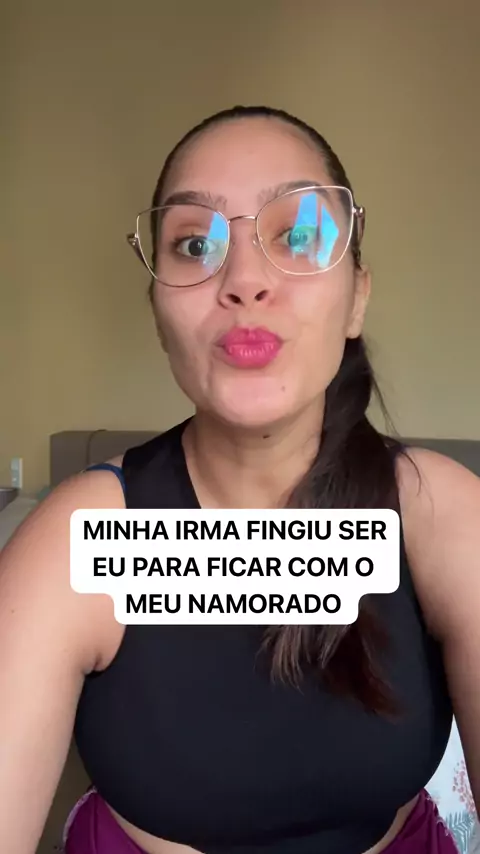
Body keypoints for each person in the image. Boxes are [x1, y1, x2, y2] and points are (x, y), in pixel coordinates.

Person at [0, 105, 478, 854]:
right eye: (195, 244)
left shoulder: (443, 516)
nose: (245, 280)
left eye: (299, 235)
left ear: (357, 296)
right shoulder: (70, 544)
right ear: (158, 313)